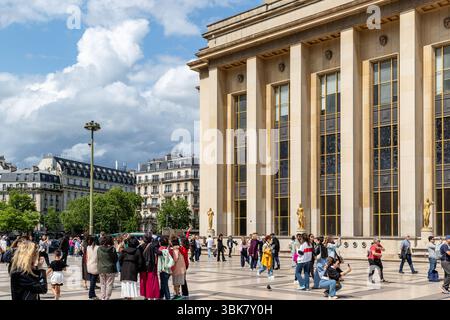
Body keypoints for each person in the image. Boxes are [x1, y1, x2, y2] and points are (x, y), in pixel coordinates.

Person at [139, 233, 160, 300]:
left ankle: (145, 295)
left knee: (143, 281)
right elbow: (159, 253)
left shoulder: (140, 246)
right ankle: (151, 295)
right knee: (151, 282)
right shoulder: (152, 246)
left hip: (142, 267)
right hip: (151, 266)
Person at [97, 235, 118, 300]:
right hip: (110, 269)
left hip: (101, 269)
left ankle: (103, 297)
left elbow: (98, 258)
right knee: (109, 284)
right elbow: (116, 259)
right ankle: (107, 297)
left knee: (102, 284)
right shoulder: (113, 249)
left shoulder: (99, 249)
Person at [86, 235, 99, 300]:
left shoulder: (88, 247)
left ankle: (93, 294)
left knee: (92, 281)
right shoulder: (98, 248)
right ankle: (90, 295)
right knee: (93, 282)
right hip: (95, 267)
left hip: (89, 265)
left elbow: (87, 257)